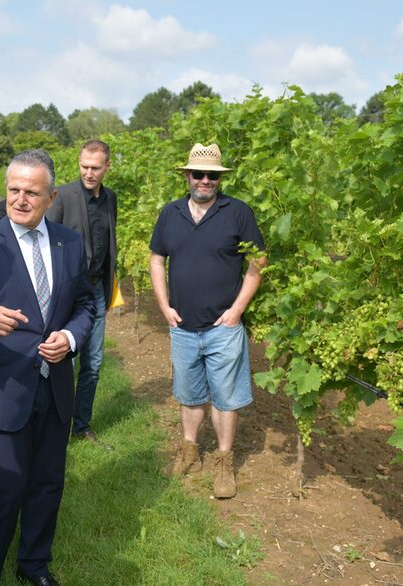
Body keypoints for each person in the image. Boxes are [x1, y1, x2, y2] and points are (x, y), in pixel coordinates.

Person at [0, 150, 95, 586]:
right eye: (14, 190)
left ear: (51, 197)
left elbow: (85, 305)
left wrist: (68, 339)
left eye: (31, 192)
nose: (20, 199)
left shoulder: (68, 243)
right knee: (4, 491)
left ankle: (34, 565)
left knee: (47, 485)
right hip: (3, 389)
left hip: (54, 387)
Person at [148, 143, 266, 499]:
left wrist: (237, 311)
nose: (204, 180)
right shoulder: (170, 214)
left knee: (225, 398)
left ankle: (224, 461)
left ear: (219, 179)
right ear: (186, 176)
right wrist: (163, 306)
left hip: (223, 328)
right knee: (189, 394)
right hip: (182, 326)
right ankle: (188, 450)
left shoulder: (238, 213)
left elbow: (258, 261)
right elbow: (156, 259)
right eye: (198, 174)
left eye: (211, 175)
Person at [46, 139, 117, 444]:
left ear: (107, 167)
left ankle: (82, 424)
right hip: (68, 291)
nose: (89, 173)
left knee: (94, 361)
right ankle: (56, 423)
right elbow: (46, 242)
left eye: (95, 168)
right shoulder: (63, 196)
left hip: (97, 289)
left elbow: (109, 243)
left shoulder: (110, 198)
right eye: (84, 166)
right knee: (64, 360)